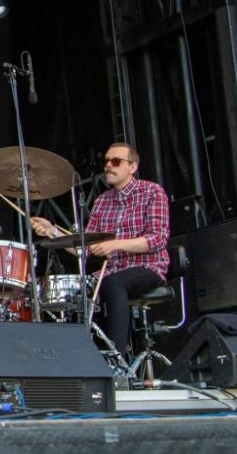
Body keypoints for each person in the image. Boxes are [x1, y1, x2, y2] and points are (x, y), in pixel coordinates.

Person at [31, 142, 169, 356]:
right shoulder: (102, 201)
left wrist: (115, 244)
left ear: (132, 167)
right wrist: (52, 231)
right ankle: (77, 357)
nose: (108, 166)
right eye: (106, 161)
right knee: (74, 290)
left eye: (116, 161)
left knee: (113, 282)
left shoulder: (152, 191)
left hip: (147, 267)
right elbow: (84, 249)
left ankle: (116, 358)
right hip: (109, 273)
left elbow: (158, 239)